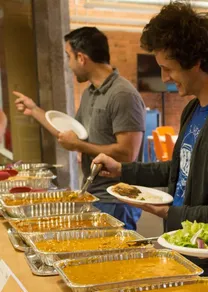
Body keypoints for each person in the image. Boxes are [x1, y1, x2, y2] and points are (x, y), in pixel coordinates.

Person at [93, 2, 208, 283]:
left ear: (195, 61)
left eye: (167, 68)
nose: (165, 78)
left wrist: (170, 212)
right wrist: (123, 170)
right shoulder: (194, 108)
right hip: (184, 247)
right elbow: (180, 168)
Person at [13, 27, 146, 230]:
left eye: (69, 57)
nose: (69, 64)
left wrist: (79, 145)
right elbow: (70, 136)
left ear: (82, 58)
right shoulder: (90, 93)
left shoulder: (122, 94)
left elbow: (127, 153)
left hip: (116, 200)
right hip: (94, 194)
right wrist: (34, 111)